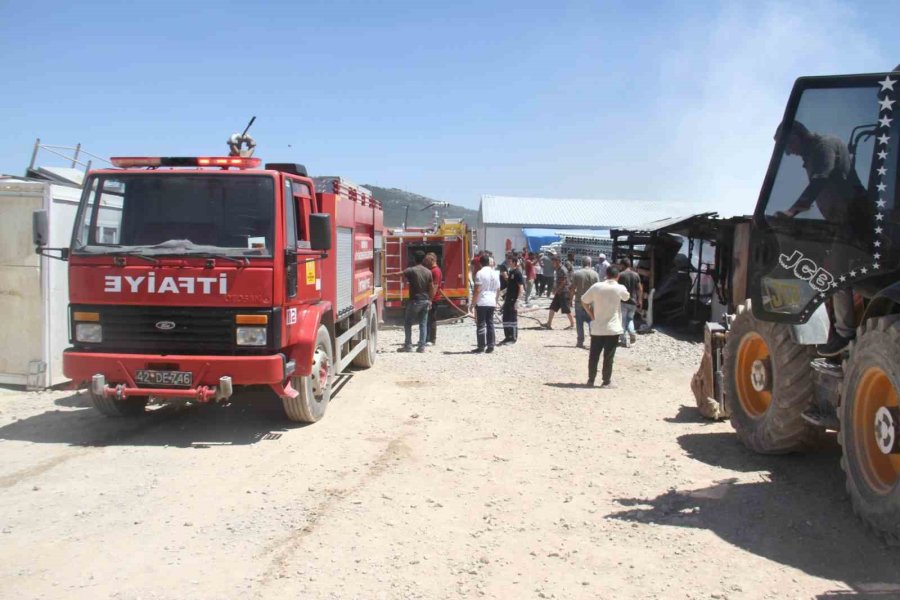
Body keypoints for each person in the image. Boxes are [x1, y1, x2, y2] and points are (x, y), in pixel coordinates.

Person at [773, 120, 869, 357]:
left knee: (834, 278)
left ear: (797, 134)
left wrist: (791, 212)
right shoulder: (822, 148)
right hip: (844, 224)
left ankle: (844, 335)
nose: (790, 152)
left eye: (788, 145)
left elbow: (820, 181)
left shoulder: (823, 147)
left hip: (851, 223)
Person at [581, 266, 630, 387]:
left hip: (597, 327)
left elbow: (584, 300)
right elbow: (626, 297)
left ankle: (591, 380)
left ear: (606, 275)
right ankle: (606, 381)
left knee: (594, 355)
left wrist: (592, 315)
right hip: (613, 328)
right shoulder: (620, 288)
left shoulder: (596, 286)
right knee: (609, 356)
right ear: (618, 276)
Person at [399, 250, 435, 353]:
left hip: (415, 301)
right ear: (423, 259)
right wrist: (430, 300)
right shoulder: (428, 272)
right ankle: (421, 347)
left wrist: (384, 275)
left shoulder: (411, 270)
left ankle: (408, 345)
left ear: (414, 259)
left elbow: (398, 274)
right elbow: (432, 287)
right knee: (423, 324)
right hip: (425, 301)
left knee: (408, 323)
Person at [471, 254, 501, 353]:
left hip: (482, 301)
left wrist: (472, 303)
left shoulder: (480, 273)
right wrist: (496, 302)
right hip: (491, 301)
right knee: (490, 323)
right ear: (489, 262)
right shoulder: (495, 273)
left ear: (480, 263)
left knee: (480, 324)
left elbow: (476, 290)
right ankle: (491, 345)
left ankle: (481, 346)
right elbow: (498, 289)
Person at [571, 256, 600, 348]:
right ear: (590, 264)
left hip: (579, 301)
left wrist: (570, 299)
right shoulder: (595, 274)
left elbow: (572, 288)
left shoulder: (577, 274)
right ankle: (594, 341)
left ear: (582, 263)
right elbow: (598, 289)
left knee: (579, 322)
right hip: (591, 302)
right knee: (592, 321)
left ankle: (580, 341)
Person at [544, 255, 575, 330]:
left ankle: (572, 324)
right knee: (552, 307)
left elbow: (563, 282)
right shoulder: (558, 269)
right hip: (559, 292)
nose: (552, 263)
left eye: (553, 261)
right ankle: (549, 323)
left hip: (564, 292)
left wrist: (556, 290)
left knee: (566, 309)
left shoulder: (562, 269)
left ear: (557, 261)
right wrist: (555, 289)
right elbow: (558, 281)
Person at [617, 258, 642, 348]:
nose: (619, 266)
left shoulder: (621, 275)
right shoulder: (636, 275)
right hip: (633, 302)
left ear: (623, 265)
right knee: (630, 319)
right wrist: (640, 301)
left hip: (623, 301)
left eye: (620, 265)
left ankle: (623, 340)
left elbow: (616, 288)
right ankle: (632, 333)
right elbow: (639, 289)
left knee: (622, 320)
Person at [499, 254, 524, 345]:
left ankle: (513, 338)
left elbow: (520, 287)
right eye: (508, 261)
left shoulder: (517, 273)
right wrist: (502, 292)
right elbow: (510, 286)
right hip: (508, 299)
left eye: (510, 261)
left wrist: (518, 300)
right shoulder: (511, 272)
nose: (508, 263)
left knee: (512, 319)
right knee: (505, 317)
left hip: (513, 299)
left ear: (514, 262)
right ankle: (507, 336)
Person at [424, 252, 442, 346]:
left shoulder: (435, 271)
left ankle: (431, 339)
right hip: (431, 298)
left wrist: (430, 300)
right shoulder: (432, 270)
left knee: (431, 319)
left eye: (427, 261)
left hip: (433, 299)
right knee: (428, 319)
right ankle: (427, 338)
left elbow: (434, 287)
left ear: (432, 260)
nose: (425, 263)